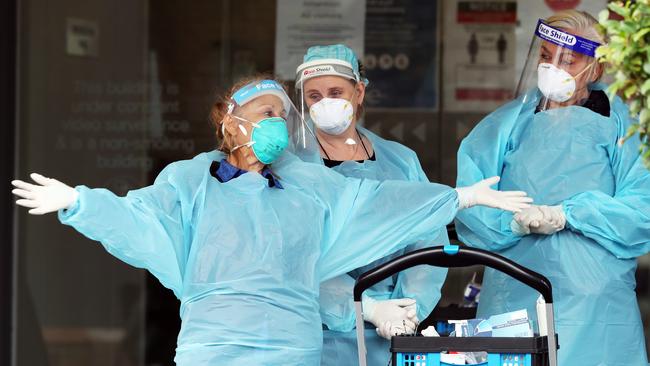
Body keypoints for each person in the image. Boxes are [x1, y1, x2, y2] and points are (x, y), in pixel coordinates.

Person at [12, 76, 531, 366]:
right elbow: (138, 221)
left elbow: (377, 206)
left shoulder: (309, 188)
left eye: (282, 115)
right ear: (228, 120)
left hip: (292, 349)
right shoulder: (191, 184)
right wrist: (79, 204)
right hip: (213, 348)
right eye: (264, 113)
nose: (276, 123)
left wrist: (458, 198)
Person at [455, 10, 650, 365]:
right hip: (513, 291)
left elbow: (643, 207)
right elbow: (472, 200)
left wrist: (568, 214)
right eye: (545, 57)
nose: (552, 67)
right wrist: (510, 223)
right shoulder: (509, 123)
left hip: (594, 301)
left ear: (596, 67)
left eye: (567, 60)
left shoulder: (622, 125)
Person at [294, 44, 449, 366]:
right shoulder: (292, 166)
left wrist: (409, 309)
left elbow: (428, 237)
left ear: (359, 92)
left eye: (336, 92)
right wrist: (367, 307)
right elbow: (293, 255)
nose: (325, 103)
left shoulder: (401, 161)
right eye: (314, 96)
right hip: (316, 332)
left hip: (395, 331)